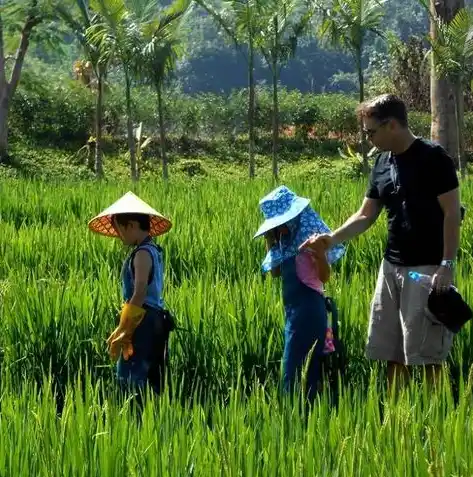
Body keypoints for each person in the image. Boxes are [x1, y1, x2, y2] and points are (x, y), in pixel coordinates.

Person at [300, 94, 461, 390]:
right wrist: (331, 239)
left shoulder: (433, 158)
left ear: (392, 126)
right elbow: (366, 214)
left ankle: (437, 422)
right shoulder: (382, 163)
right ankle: (394, 424)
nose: (369, 139)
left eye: (371, 132)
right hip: (391, 268)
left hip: (425, 269)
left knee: (426, 355)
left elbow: (452, 213)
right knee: (391, 352)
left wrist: (446, 265)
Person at [254, 186, 345, 401]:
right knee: (293, 366)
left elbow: (324, 277)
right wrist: (271, 240)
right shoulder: (285, 244)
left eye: (281, 225)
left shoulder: (309, 243)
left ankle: (304, 414)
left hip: (310, 311)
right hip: (293, 314)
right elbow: (275, 272)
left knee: (300, 367)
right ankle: (298, 414)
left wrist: (320, 254)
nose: (280, 229)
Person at [88, 191, 175, 396]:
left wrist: (125, 327)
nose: (119, 236)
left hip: (143, 320)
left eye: (120, 230)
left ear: (132, 226)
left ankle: (136, 418)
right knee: (152, 377)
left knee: (133, 377)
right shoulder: (153, 249)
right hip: (153, 319)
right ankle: (151, 415)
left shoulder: (142, 254)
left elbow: (140, 292)